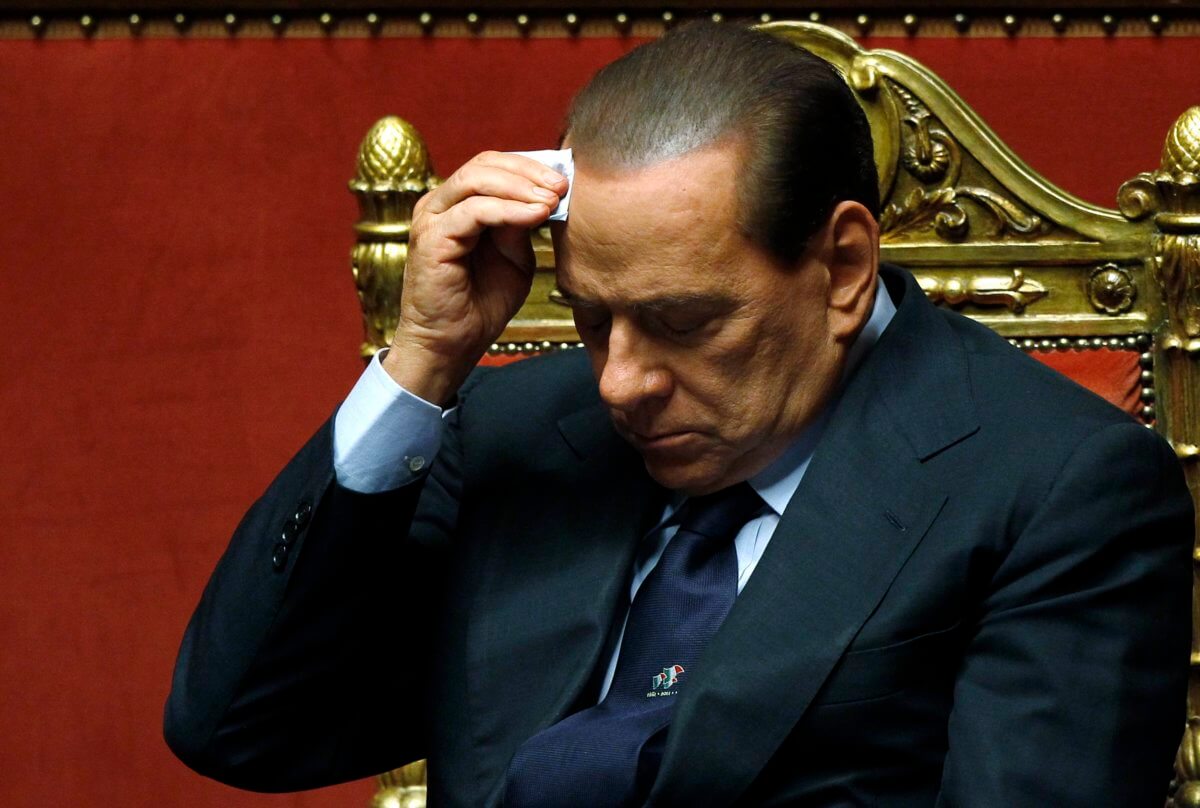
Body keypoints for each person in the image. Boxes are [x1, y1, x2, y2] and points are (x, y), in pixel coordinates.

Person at [164, 21, 1194, 807]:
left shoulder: (1058, 488)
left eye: (685, 323)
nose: (620, 382)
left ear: (842, 267)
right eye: (591, 317)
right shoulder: (518, 431)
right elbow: (243, 726)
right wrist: (423, 362)